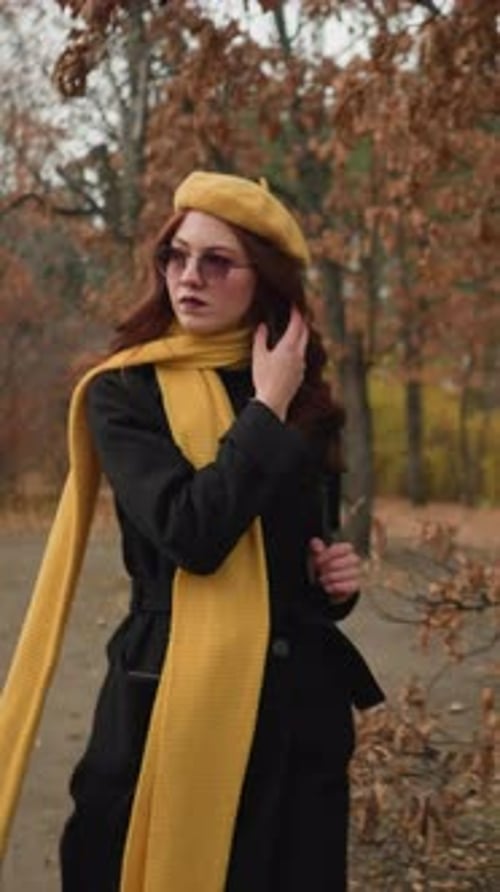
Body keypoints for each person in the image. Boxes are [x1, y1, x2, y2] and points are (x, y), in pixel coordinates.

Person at [0, 171, 383, 892]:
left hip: (295, 714)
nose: (189, 276)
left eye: (217, 261)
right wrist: (264, 409)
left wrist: (333, 580)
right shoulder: (124, 391)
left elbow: (297, 553)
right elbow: (191, 535)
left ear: (263, 280)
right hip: (169, 695)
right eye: (176, 256)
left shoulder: (305, 396)